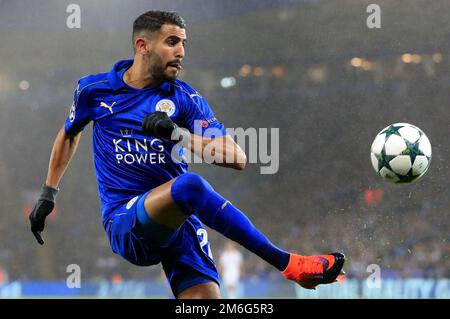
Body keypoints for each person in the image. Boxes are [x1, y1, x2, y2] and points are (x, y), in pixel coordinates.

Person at [28, 10, 345, 299]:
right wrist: (48, 193)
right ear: (143, 45)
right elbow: (69, 133)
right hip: (126, 221)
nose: (181, 51)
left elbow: (237, 158)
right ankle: (289, 263)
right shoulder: (95, 90)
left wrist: (178, 134)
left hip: (178, 222)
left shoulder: (186, 99)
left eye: (183, 43)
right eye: (172, 42)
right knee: (190, 185)